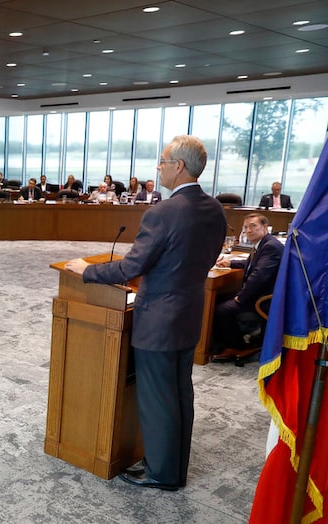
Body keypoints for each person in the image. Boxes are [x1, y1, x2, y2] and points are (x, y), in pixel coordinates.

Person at [65, 135, 227, 491]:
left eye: (163, 161)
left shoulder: (163, 212)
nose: (159, 166)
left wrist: (85, 270)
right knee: (180, 393)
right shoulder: (215, 209)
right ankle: (175, 466)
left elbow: (131, 267)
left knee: (157, 397)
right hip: (188, 313)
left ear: (179, 166)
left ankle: (162, 474)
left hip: (158, 319)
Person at [212, 213, 283, 353]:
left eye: (253, 226)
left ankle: (235, 346)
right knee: (218, 299)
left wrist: (241, 297)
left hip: (264, 300)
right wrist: (231, 263)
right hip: (261, 293)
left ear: (265, 228)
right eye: (245, 227)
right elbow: (255, 264)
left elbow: (259, 276)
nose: (248, 230)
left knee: (221, 309)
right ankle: (224, 341)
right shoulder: (265, 244)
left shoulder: (270, 247)